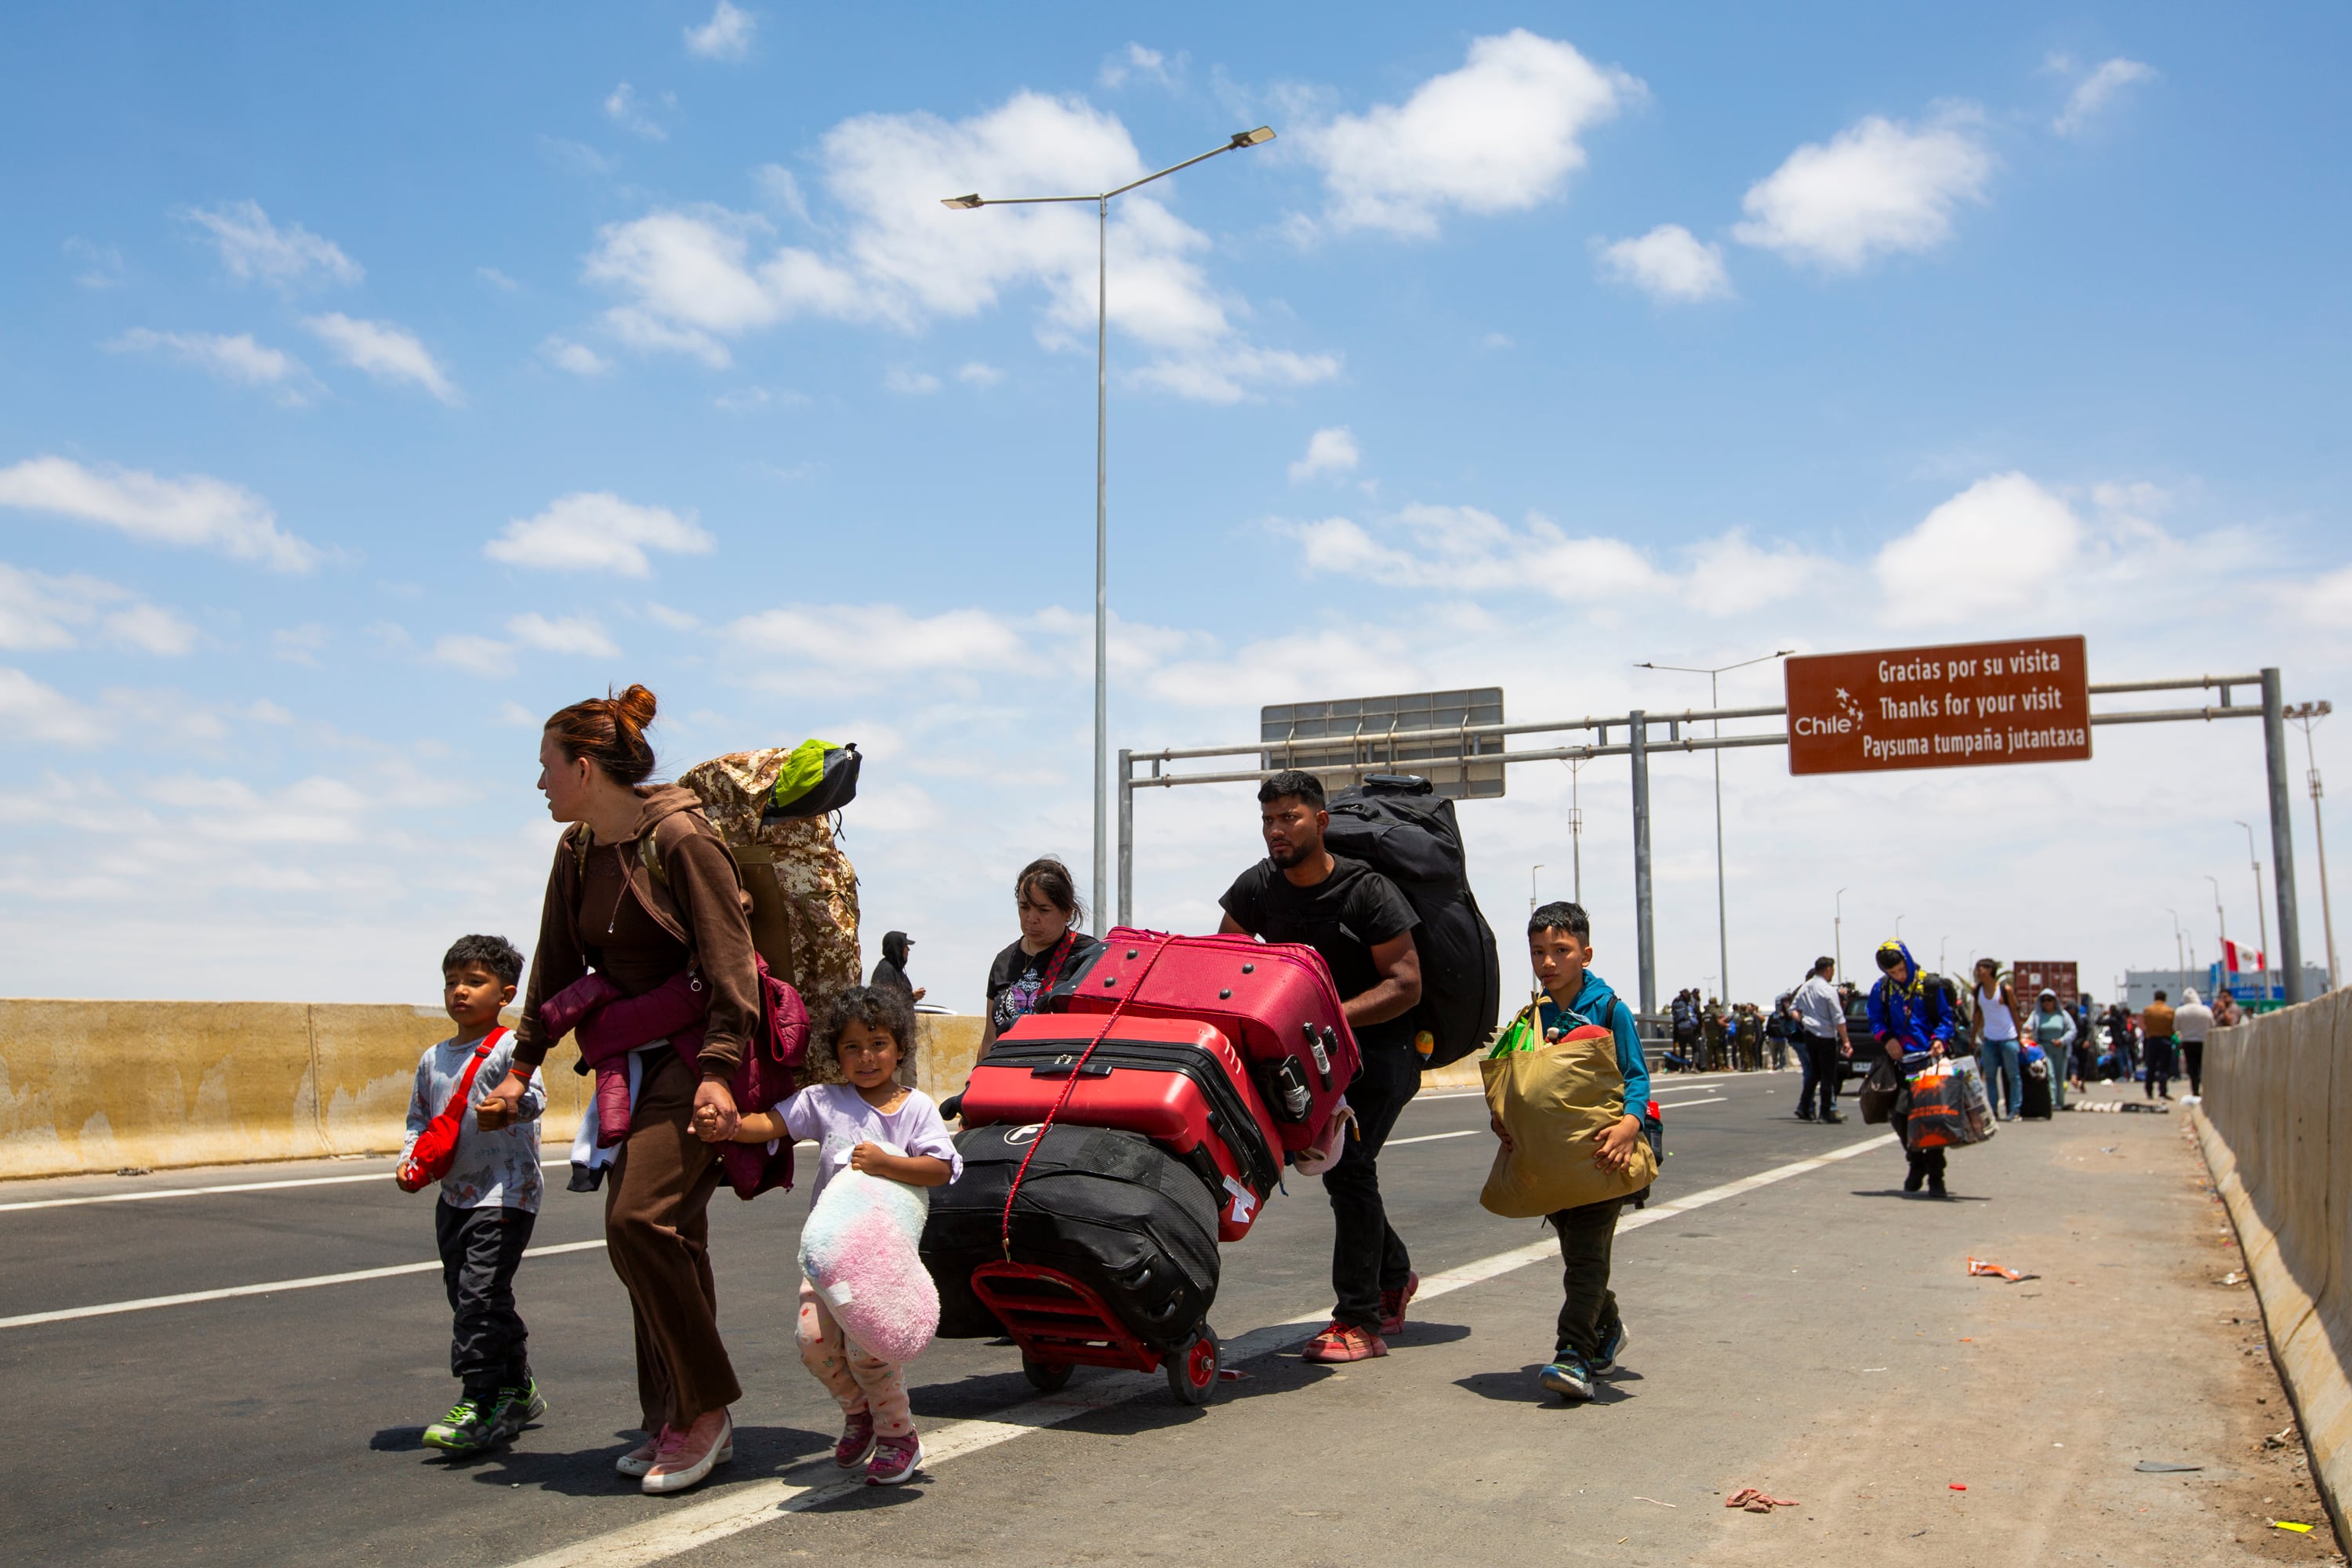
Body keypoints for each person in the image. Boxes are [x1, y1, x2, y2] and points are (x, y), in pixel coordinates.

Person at [478, 684, 762, 1495]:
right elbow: (555, 962)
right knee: (671, 1235)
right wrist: (523, 1064)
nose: (539, 783)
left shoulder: (677, 836)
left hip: (699, 1051)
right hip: (631, 1059)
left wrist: (716, 1068)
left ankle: (705, 1410)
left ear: (583, 765)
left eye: (545, 767)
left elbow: (731, 962)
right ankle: (673, 1414)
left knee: (641, 1218)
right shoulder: (576, 851)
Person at [698, 985, 960, 1486]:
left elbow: (940, 1169)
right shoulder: (824, 1101)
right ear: (835, 1053)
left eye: (879, 1044)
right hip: (829, 1256)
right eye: (852, 1047)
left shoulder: (916, 1108)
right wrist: (726, 1125)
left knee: (869, 1352)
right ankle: (860, 1413)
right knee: (814, 1342)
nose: (867, 1057)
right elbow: (770, 1125)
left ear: (900, 1047)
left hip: (883, 1261)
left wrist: (888, 1163)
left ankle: (899, 1436)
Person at [1220, 770, 1422, 1364]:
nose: (1276, 830)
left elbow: (1406, 984)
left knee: (1350, 1167)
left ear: (1321, 822)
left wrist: (1329, 1018)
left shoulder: (1367, 890)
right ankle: (1396, 1274)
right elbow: (1227, 964)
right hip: (1305, 1057)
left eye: (1289, 818)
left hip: (1380, 1052)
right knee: (1339, 1170)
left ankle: (1359, 1321)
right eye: (1268, 820)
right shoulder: (1257, 887)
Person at [1499, 901, 1650, 1403]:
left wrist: (1630, 1125)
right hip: (1550, 1161)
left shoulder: (1610, 1009)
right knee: (1577, 1256)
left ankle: (1574, 1355)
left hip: (1601, 1156)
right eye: (1538, 951)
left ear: (1584, 953)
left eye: (1560, 951)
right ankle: (1607, 1327)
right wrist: (1504, 1121)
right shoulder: (1531, 1017)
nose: (1548, 962)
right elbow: (1513, 1081)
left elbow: (1636, 1076)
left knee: (1585, 1259)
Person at [405, 934, 546, 1454]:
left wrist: (509, 1107)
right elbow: (419, 1116)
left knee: (479, 1297)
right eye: (451, 983)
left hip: (506, 1194)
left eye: (474, 981)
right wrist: (409, 1159)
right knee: (472, 1295)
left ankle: (481, 1400)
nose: (459, 991)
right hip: (456, 1197)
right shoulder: (433, 1057)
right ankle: (518, 1387)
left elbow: (536, 1097)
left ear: (505, 994)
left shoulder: (512, 1048)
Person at [981, 857, 1102, 1056]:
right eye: (1024, 907)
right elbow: (990, 1037)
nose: (1031, 919)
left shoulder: (1089, 956)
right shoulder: (1004, 960)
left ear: (1067, 913)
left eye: (1043, 910)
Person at [1867, 939, 1955, 1197]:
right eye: (1892, 973)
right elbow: (1875, 1020)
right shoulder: (1882, 989)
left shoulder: (1930, 985)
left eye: (1901, 970)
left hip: (1931, 1063)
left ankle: (1937, 1176)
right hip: (1901, 1065)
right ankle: (1916, 1163)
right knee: (1900, 1116)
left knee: (1934, 1119)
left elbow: (1946, 1018)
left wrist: (1940, 1038)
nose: (1898, 976)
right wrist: (1886, 1038)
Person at [1790, 956, 1849, 1123]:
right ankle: (1825, 1111)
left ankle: (1803, 1106)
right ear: (1828, 970)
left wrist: (1803, 1021)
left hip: (1810, 1035)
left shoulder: (1806, 987)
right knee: (1827, 1076)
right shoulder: (1827, 990)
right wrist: (1846, 1041)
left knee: (1814, 1073)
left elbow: (1793, 1009)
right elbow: (1838, 1018)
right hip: (1826, 1036)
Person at [1971, 958, 2025, 1123]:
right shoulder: (1978, 990)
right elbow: (1977, 1013)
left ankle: (2015, 1110)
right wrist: (1972, 1037)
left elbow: (2015, 1013)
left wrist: (2019, 1036)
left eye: (1982, 969)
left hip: (2008, 1038)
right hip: (1990, 1039)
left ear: (1991, 971)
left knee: (2012, 1075)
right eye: (1978, 969)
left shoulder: (2004, 990)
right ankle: (1993, 1110)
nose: (1979, 972)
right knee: (1990, 1076)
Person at [2027, 989, 2078, 1110]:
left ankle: (2060, 1102)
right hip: (2045, 1049)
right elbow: (2028, 1026)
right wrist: (2028, 1030)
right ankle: (2052, 1102)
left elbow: (2073, 1030)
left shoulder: (2062, 1015)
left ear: (2055, 1001)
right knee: (2050, 1074)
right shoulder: (2037, 1015)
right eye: (2044, 1000)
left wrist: (2062, 1041)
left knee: (2060, 1077)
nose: (2047, 1003)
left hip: (2060, 1049)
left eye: (2049, 1000)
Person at [2175, 987, 2214, 1098]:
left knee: (2192, 1068)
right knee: (2204, 1066)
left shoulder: (2180, 1011)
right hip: (2203, 1042)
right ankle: (2206, 1090)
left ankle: (2195, 1090)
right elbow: (2212, 1025)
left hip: (2188, 1042)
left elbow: (2175, 1027)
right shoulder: (2206, 1010)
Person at [868, 931, 925, 1004]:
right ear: (899, 948)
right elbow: (884, 1000)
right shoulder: (885, 970)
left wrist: (914, 998)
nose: (908, 950)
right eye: (906, 946)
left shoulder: (897, 970)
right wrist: (911, 996)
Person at [2141, 989, 2179, 1100]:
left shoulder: (2148, 1010)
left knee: (2151, 1067)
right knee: (2164, 1068)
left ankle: (2149, 1092)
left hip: (2152, 1040)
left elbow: (2146, 1025)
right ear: (2165, 999)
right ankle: (2162, 1091)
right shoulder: (2170, 1011)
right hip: (2165, 1040)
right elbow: (2173, 1028)